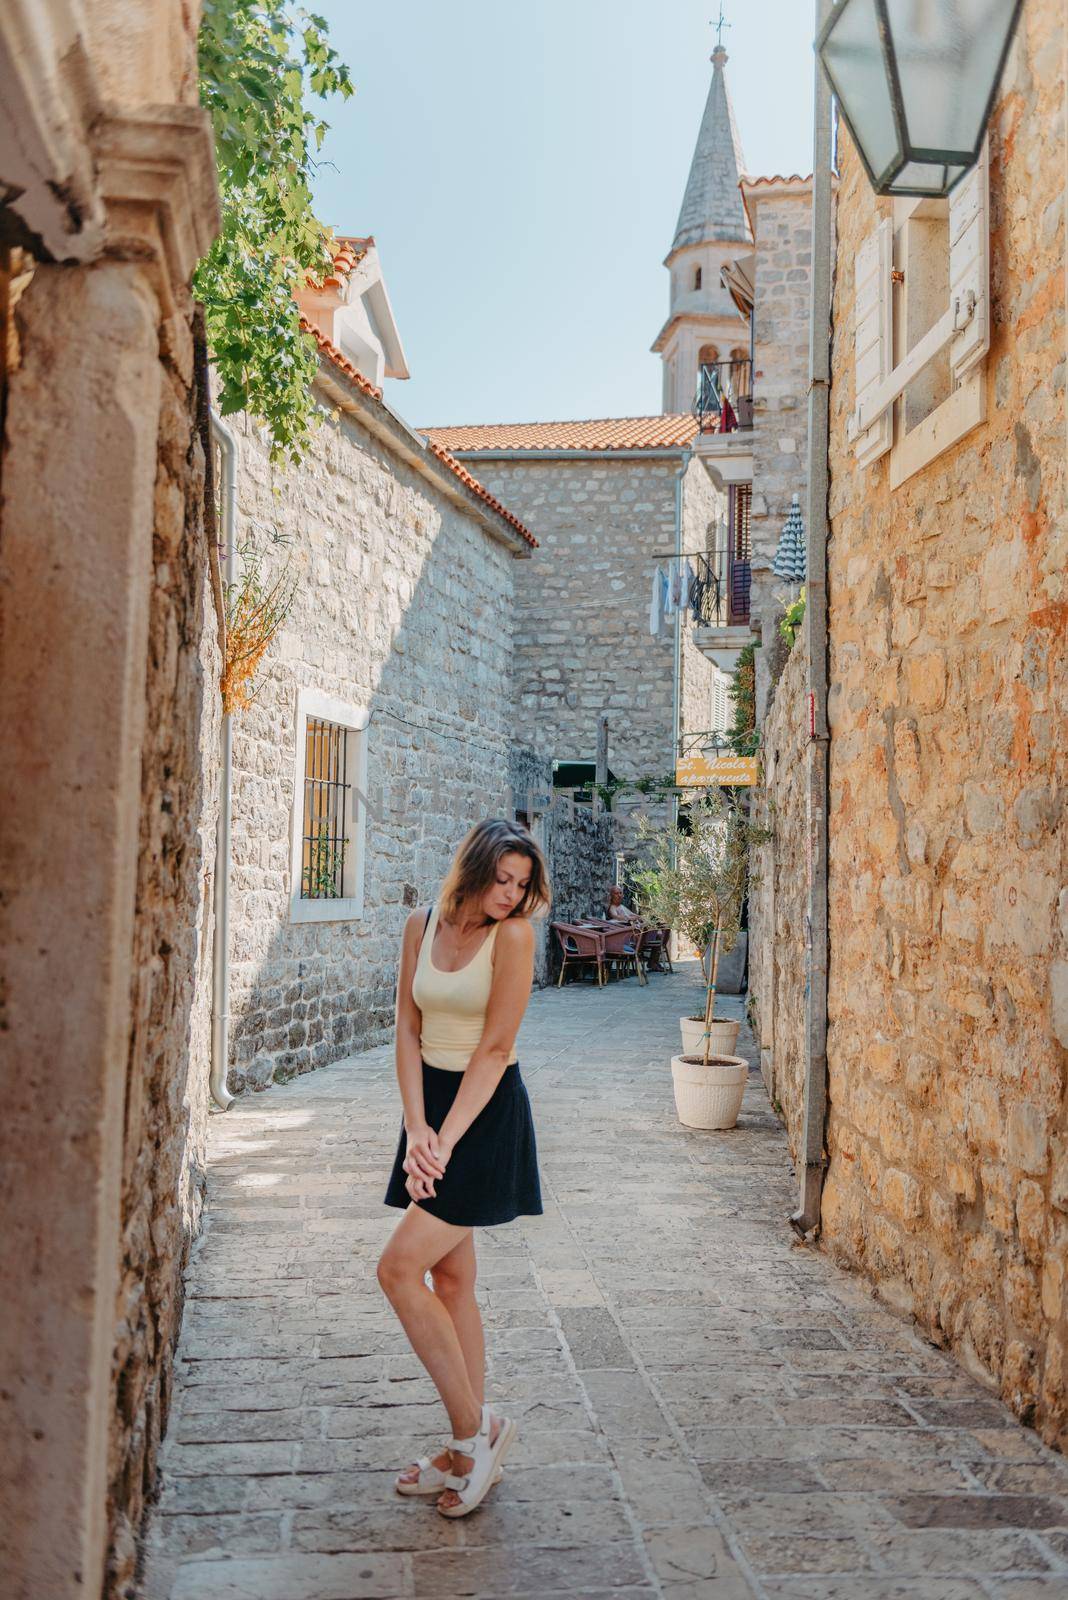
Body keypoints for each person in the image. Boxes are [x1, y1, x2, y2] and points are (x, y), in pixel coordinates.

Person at [377, 818, 549, 1518]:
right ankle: (472, 1439)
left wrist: (443, 1142)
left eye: (523, 884)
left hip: (483, 1112)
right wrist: (417, 1127)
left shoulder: (513, 937)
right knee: (451, 1278)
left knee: (396, 1269)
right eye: (502, 879)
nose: (511, 895)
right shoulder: (421, 924)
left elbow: (495, 1048)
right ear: (473, 869)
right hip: (432, 1108)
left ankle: (471, 1435)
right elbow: (407, 1029)